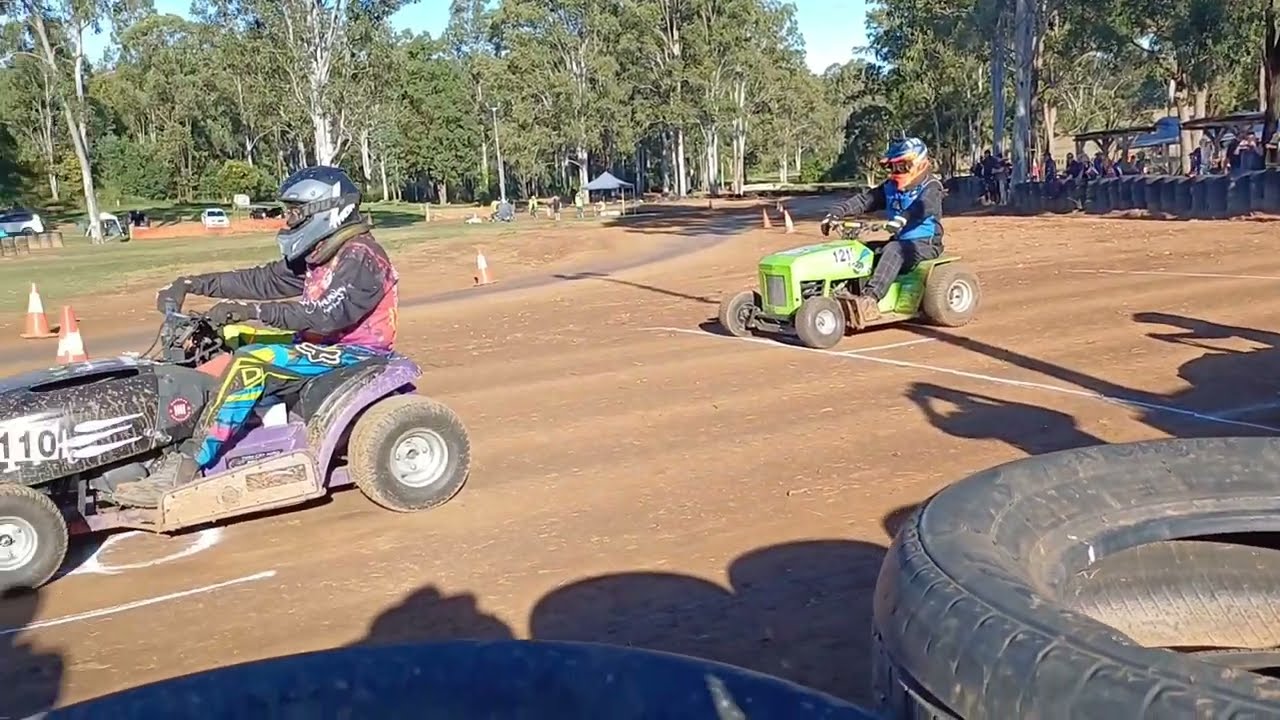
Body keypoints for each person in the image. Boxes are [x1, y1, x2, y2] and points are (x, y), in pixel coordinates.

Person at [111, 165, 400, 507]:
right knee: (230, 340)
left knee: (253, 363)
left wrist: (252, 311)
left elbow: (325, 316)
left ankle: (185, 464)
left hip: (355, 352)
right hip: (317, 345)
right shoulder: (322, 253)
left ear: (325, 210)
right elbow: (265, 281)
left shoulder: (362, 258)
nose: (287, 219)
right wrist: (194, 284)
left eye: (294, 212)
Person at [820, 137, 944, 326]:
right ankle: (844, 293)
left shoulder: (931, 187)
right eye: (892, 167)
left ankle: (869, 300)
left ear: (919, 163)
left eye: (902, 166)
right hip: (900, 240)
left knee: (894, 250)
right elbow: (864, 200)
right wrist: (837, 212)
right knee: (862, 251)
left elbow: (924, 206)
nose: (896, 172)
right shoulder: (890, 187)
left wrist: (903, 218)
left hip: (925, 243)